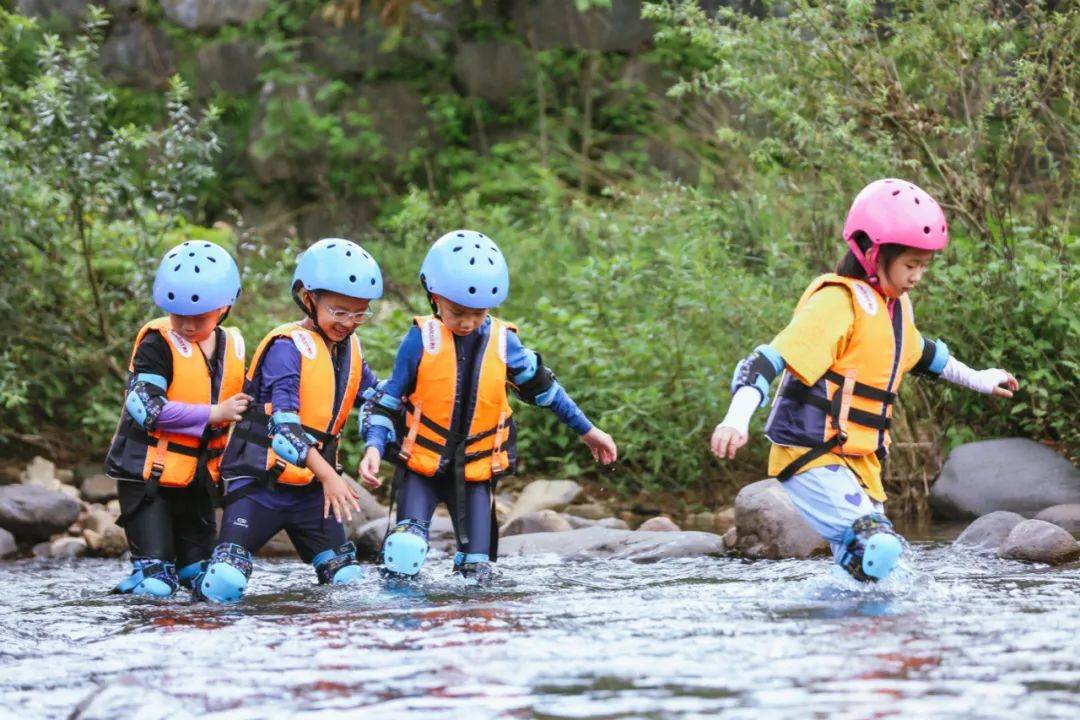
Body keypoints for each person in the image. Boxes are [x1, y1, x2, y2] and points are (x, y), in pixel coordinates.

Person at [710, 179, 1018, 582]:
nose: (918, 276)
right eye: (911, 265)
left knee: (880, 572)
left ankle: (840, 633)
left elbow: (925, 354)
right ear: (873, 254)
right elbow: (766, 361)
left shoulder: (894, 309)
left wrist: (981, 379)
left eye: (924, 266)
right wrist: (736, 418)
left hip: (858, 464)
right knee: (878, 547)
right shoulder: (837, 303)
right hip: (812, 456)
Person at [359, 230, 618, 583]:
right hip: (420, 470)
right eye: (457, 312)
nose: (467, 322)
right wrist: (374, 447)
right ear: (434, 296)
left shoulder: (504, 342)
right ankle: (405, 630)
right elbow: (388, 404)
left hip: (475, 475)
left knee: (477, 574)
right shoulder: (420, 339)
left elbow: (547, 391)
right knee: (404, 554)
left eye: (478, 313)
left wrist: (588, 431)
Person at [199, 238, 383, 603]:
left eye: (359, 314)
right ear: (308, 297)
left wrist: (375, 445)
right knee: (224, 584)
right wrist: (330, 475)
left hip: (310, 494)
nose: (349, 323)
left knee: (348, 586)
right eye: (340, 311)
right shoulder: (285, 349)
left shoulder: (349, 351)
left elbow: (378, 399)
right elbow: (284, 433)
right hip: (259, 487)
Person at [105, 241, 249, 597]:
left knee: (215, 587)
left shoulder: (232, 348)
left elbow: (256, 406)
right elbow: (145, 408)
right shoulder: (156, 344)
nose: (185, 324)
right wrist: (215, 413)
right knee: (157, 586)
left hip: (198, 482)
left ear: (224, 307)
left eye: (197, 317)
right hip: (148, 480)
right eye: (176, 314)